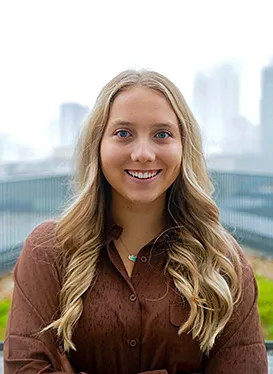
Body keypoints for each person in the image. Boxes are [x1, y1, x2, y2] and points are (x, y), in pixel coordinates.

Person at [4, 69, 268, 374]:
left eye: (162, 134)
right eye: (123, 133)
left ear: (184, 148)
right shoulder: (48, 249)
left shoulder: (223, 259)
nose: (143, 154)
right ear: (98, 146)